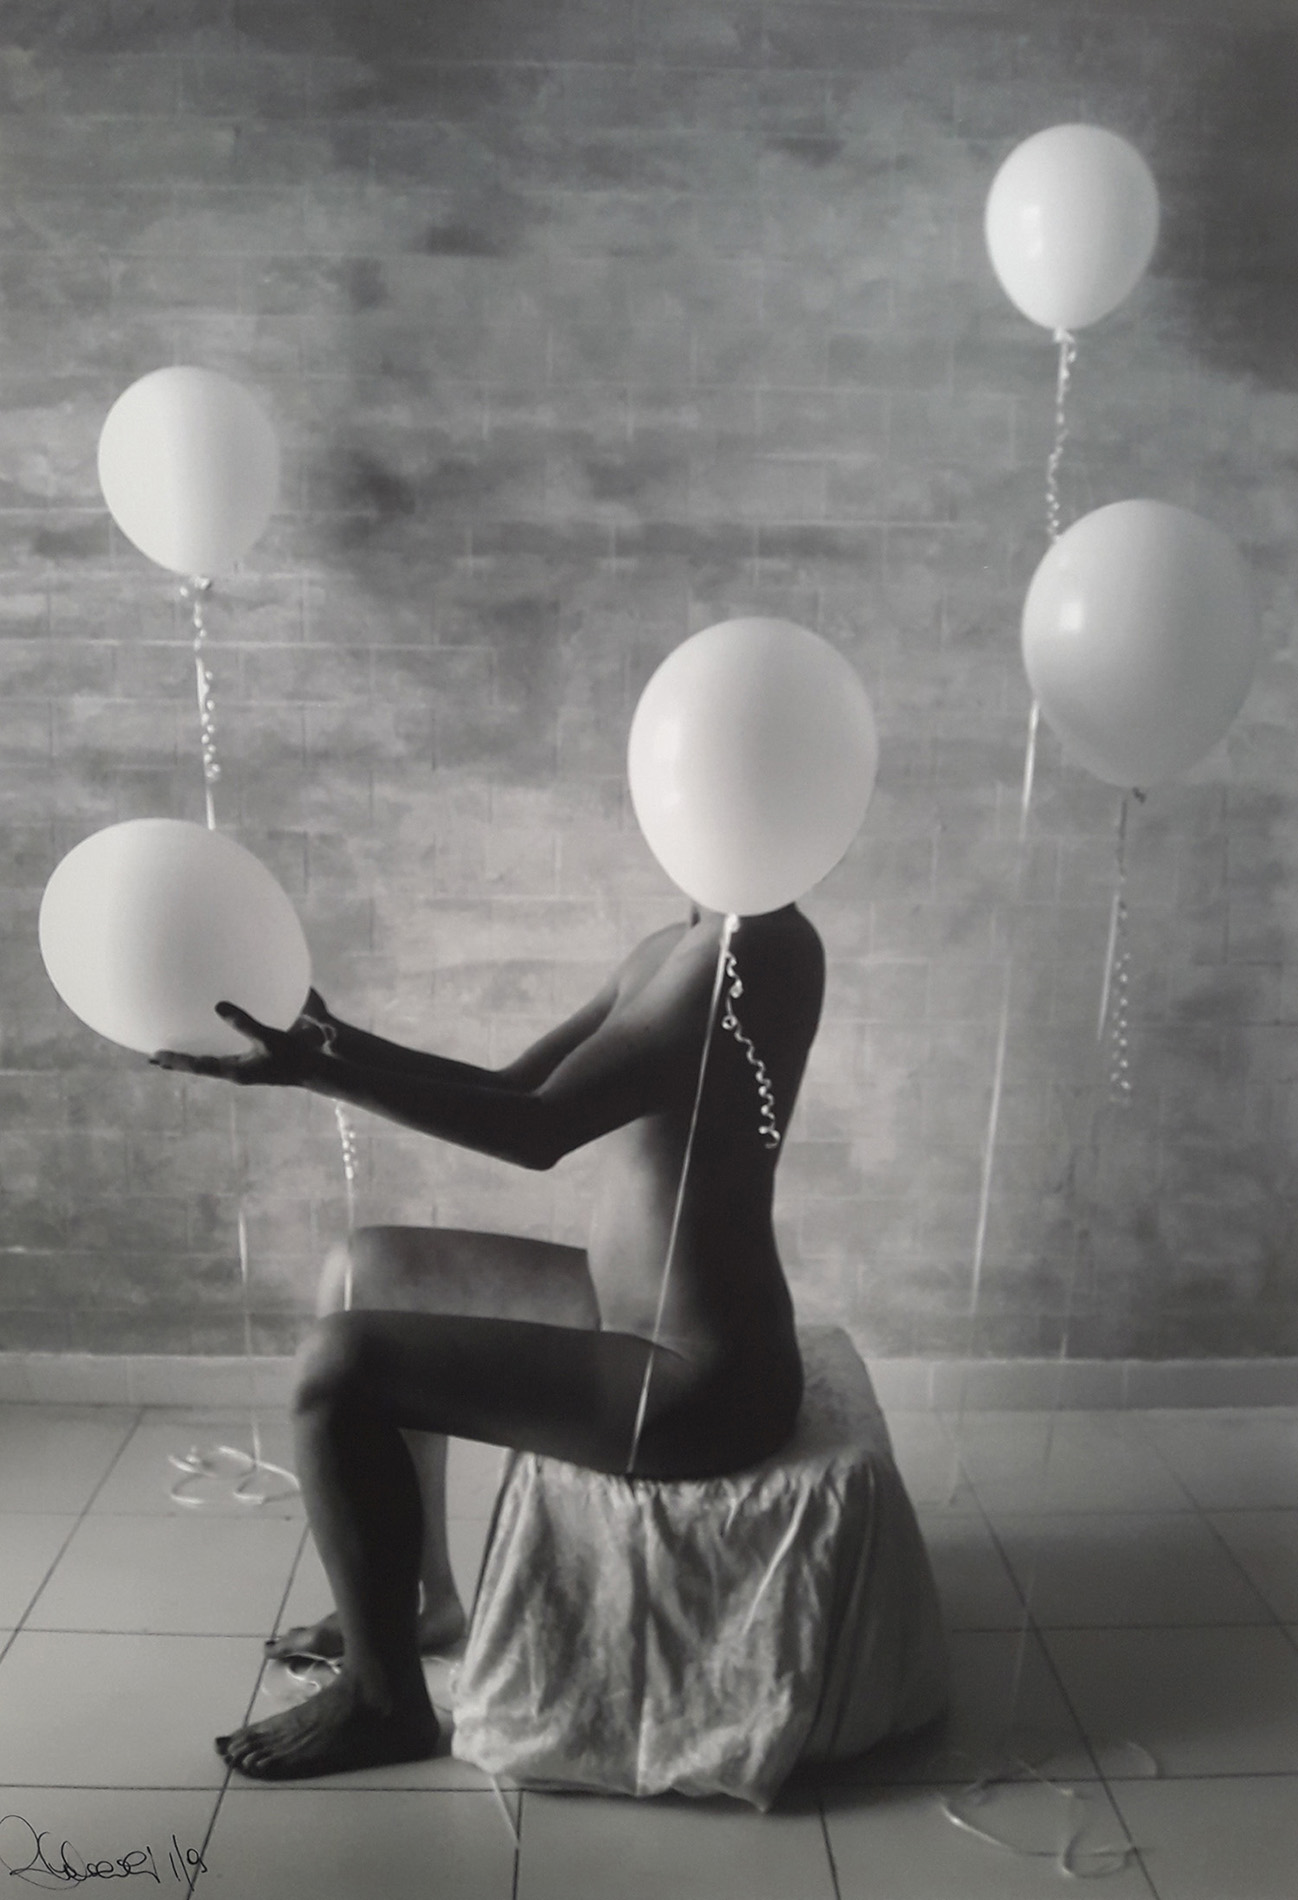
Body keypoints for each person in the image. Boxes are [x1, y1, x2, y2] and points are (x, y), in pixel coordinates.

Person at [151, 900, 825, 1780]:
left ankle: (383, 1703)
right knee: (367, 1268)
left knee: (339, 1365)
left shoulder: (748, 954)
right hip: (623, 1304)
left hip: (701, 1378)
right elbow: (513, 1084)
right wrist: (332, 1040)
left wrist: (316, 1075)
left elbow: (538, 1128)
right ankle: (424, 1603)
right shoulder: (677, 942)